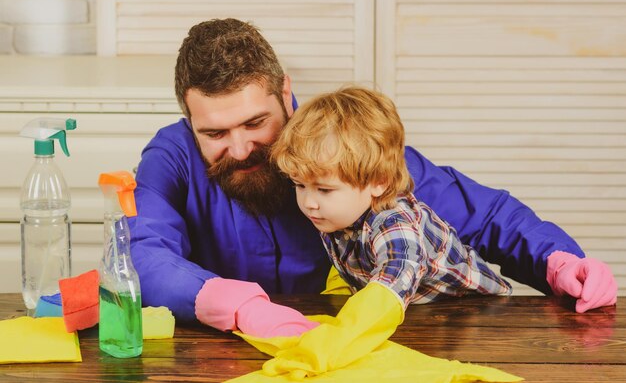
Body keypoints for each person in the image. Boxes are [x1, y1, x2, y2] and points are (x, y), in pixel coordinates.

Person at [129, 18, 617, 337]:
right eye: (214, 131)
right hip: (227, 354)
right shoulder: (170, 155)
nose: (239, 149)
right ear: (188, 119)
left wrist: (559, 259)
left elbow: (482, 215)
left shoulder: (338, 136)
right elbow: (142, 251)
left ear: (285, 93)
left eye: (256, 123)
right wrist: (232, 305)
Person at [271, 86, 513, 307]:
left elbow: (394, 281)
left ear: (379, 181)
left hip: (481, 313)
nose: (308, 203)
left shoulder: (394, 222)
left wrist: (346, 333)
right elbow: (353, 264)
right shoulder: (338, 215)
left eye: (324, 190)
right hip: (425, 315)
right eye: (299, 185)